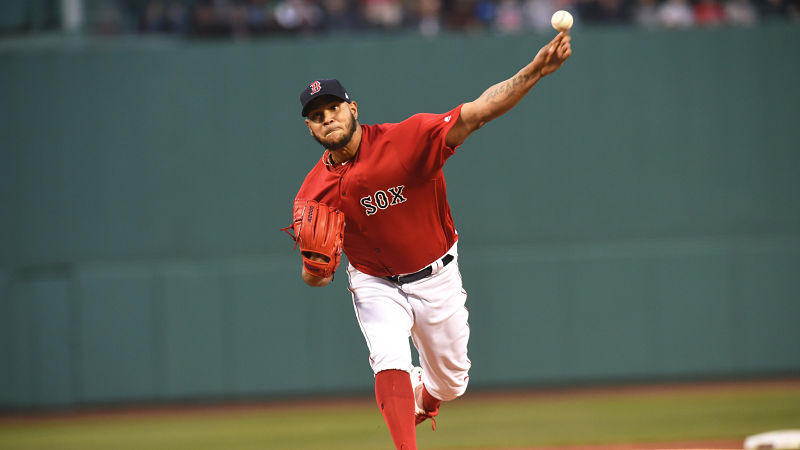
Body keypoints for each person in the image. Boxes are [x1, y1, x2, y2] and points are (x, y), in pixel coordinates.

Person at [287, 32, 571, 450]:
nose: (327, 117)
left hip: (435, 274)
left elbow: (476, 114)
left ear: (353, 109)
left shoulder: (406, 140)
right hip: (374, 282)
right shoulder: (311, 193)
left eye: (333, 107)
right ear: (309, 126)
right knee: (388, 356)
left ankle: (428, 397)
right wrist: (315, 270)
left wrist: (533, 73)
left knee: (453, 382)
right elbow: (314, 279)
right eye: (316, 114)